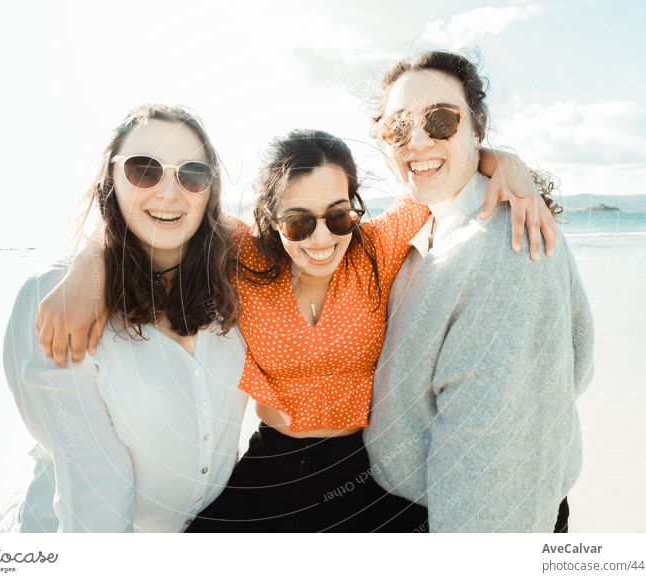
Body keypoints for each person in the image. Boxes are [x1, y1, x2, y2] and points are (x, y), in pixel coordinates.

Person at [36, 122, 559, 532]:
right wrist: (91, 263)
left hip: (367, 463)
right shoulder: (241, 252)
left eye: (338, 216)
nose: (321, 239)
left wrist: (506, 162)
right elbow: (159, 214)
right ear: (269, 217)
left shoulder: (375, 246)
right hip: (274, 463)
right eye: (297, 222)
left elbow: (446, 171)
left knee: (518, 524)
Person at [363, 50, 594, 532]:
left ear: (477, 127)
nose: (417, 139)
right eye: (397, 126)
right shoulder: (429, 223)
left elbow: (494, 463)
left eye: (441, 120)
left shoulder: (508, 252)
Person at [3, 104, 248, 532]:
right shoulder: (56, 299)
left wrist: (95, 255)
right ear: (110, 179)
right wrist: (95, 259)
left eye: (191, 174)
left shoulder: (233, 278)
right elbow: (92, 485)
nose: (170, 193)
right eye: (144, 169)